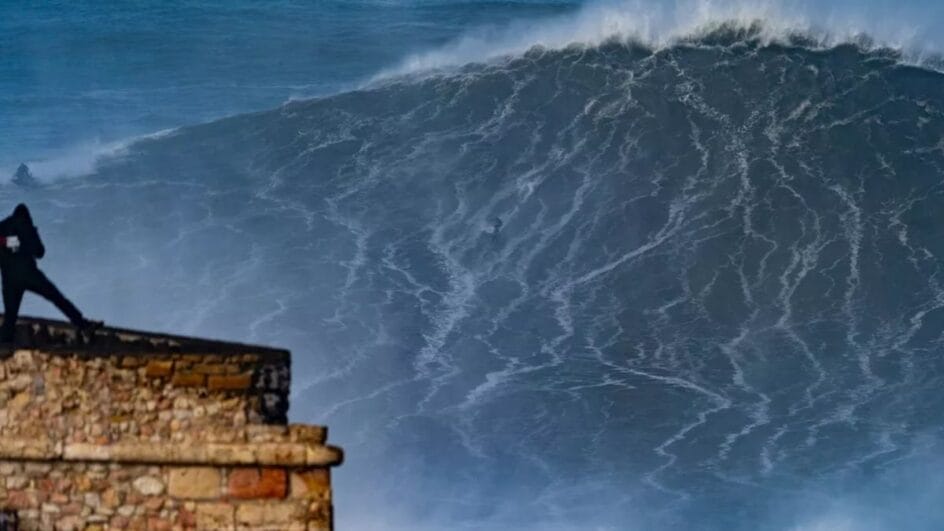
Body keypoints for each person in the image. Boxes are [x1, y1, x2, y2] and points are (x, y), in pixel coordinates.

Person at [0, 203, 102, 343]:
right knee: (56, 298)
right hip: (30, 274)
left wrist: (9, 245)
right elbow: (39, 252)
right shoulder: (25, 224)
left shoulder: (2, 227)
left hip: (9, 279)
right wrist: (32, 233)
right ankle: (83, 324)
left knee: (10, 318)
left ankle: (5, 347)